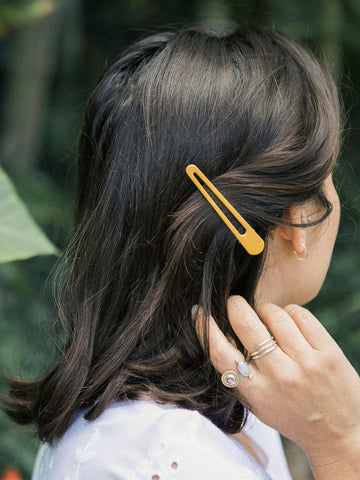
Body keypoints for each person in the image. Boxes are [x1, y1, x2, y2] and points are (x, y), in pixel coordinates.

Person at [2, 26, 360, 480]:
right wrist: (342, 445)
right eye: (328, 174)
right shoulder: (166, 459)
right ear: (296, 219)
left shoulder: (228, 403)